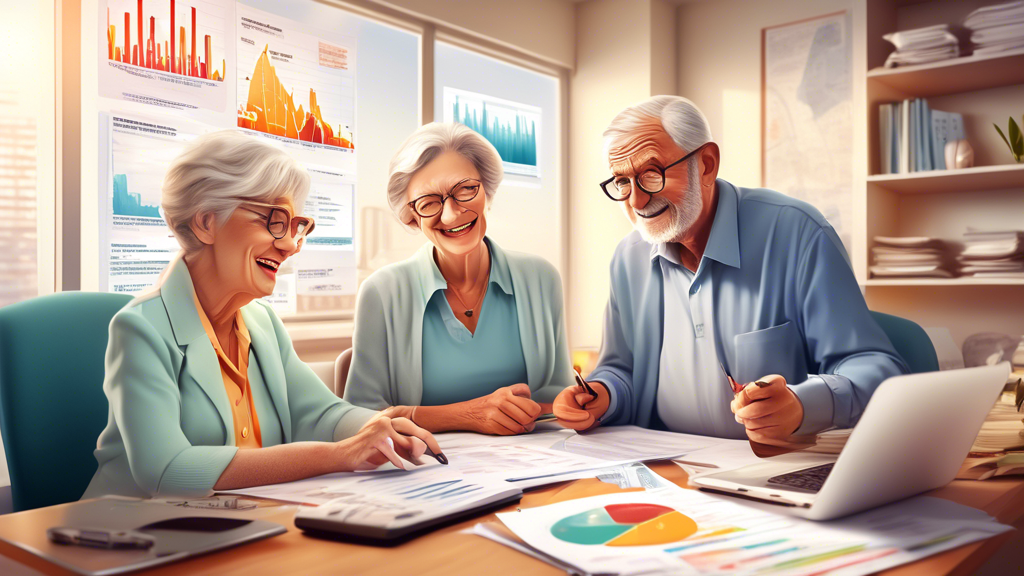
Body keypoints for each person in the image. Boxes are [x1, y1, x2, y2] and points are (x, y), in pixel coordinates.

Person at [83, 131, 441, 499]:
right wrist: (338, 455)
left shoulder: (261, 322)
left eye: (294, 226)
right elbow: (167, 470)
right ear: (207, 222)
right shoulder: (141, 329)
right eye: (273, 220)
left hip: (239, 523)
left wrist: (380, 427)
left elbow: (318, 415)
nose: (289, 245)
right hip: (133, 536)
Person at [553, 96, 908, 446]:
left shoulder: (798, 233)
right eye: (621, 181)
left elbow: (876, 369)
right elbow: (623, 372)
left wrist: (803, 404)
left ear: (706, 164)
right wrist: (602, 395)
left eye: (650, 173)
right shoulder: (628, 258)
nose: (635, 201)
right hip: (665, 467)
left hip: (775, 466)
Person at [343, 122, 573, 436]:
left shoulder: (540, 278)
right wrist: (466, 415)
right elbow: (359, 419)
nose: (451, 215)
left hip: (534, 465)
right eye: (429, 203)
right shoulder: (382, 292)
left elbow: (558, 395)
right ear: (412, 218)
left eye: (465, 189)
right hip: (424, 470)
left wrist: (578, 405)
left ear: (487, 191)